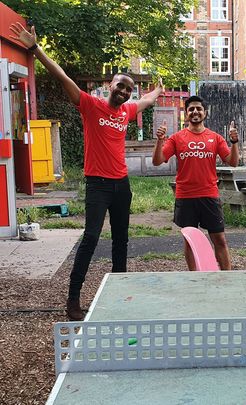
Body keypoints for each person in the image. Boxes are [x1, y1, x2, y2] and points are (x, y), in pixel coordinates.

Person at [9, 23, 164, 320]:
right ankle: (73, 300)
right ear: (110, 86)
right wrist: (35, 49)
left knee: (121, 240)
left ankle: (119, 297)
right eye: (120, 86)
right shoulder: (90, 105)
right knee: (91, 238)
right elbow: (62, 75)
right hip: (98, 185)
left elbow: (145, 101)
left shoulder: (127, 111)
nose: (124, 92)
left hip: (122, 185)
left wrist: (157, 89)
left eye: (128, 89)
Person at [152, 95, 239, 270]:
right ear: (186, 113)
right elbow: (157, 161)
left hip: (209, 195)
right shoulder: (177, 138)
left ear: (205, 113)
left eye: (199, 108)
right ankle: (194, 278)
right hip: (186, 197)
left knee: (219, 239)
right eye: (191, 109)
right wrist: (160, 141)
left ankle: (228, 278)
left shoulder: (215, 138)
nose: (195, 112)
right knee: (190, 241)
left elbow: (233, 161)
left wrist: (234, 143)